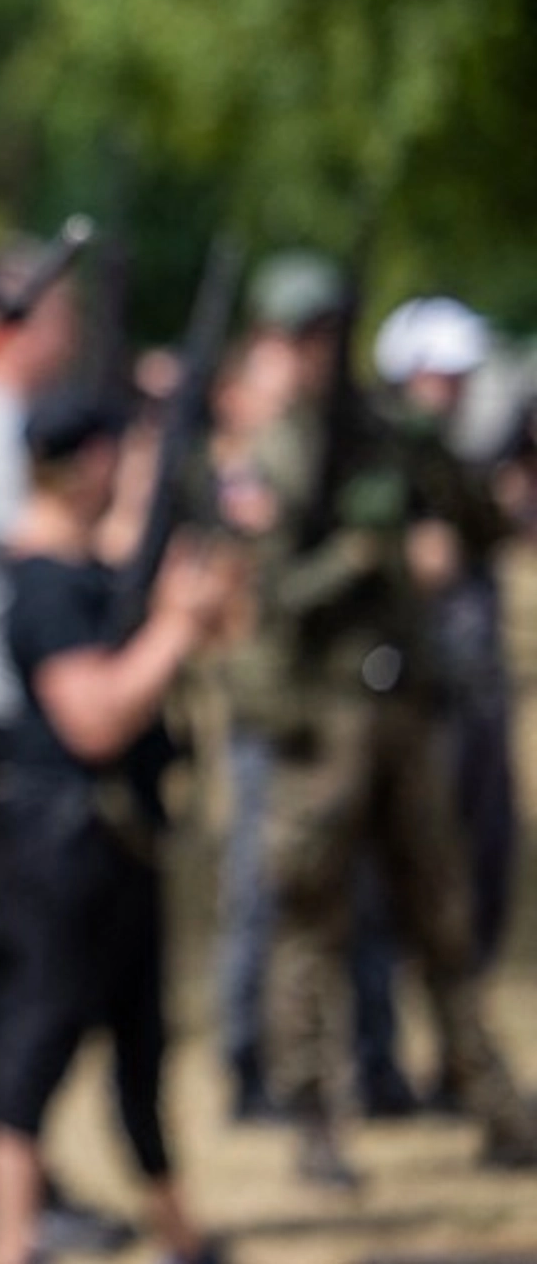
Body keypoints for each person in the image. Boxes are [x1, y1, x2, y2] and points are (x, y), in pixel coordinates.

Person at [226, 250, 537, 1188]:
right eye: (297, 334)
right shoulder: (274, 455)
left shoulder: (387, 434)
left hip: (401, 706)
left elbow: (483, 524)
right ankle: (315, 1118)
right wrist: (357, 555)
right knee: (311, 922)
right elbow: (269, 594)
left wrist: (433, 476)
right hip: (321, 719)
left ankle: (488, 1098)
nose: (314, 351)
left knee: (443, 915)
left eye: (324, 331)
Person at [0, 390, 232, 1264]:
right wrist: (175, 630)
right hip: (63, 845)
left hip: (118, 844)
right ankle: (10, 1239)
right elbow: (94, 717)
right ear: (85, 463)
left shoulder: (92, 570)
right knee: (38, 1036)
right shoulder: (43, 581)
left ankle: (179, 1233)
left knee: (143, 1040)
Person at [0, 239, 135, 1256]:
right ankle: (4, 1192)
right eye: (61, 313)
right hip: (11, 724)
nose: (74, 331)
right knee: (33, 971)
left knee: (31, 967)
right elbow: (45, 541)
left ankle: (18, 1174)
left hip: (25, 718)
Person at [373, 295, 518, 974]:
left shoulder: (453, 461)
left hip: (473, 688)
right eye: (443, 374)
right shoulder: (380, 459)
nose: (456, 389)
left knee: (486, 850)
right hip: (410, 695)